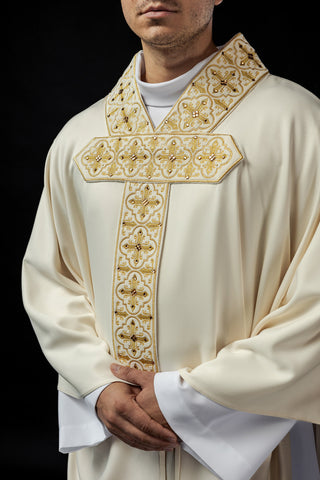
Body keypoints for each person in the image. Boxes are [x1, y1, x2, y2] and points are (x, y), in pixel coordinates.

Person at [22, 0, 320, 479]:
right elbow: (51, 283)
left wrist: (195, 398)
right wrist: (98, 386)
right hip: (114, 439)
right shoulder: (79, 139)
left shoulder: (298, 124)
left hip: (246, 433)